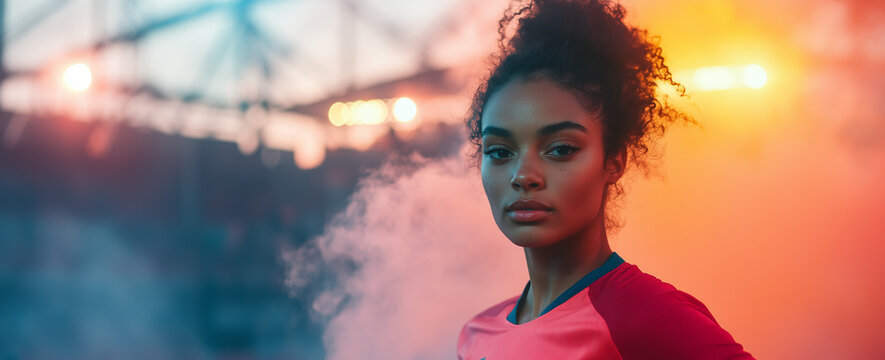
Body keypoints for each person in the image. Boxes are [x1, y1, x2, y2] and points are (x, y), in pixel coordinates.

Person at [457, 0, 754, 359]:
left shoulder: (648, 316)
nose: (523, 176)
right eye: (499, 151)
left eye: (560, 149)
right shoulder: (476, 336)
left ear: (613, 161)